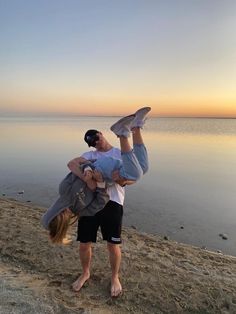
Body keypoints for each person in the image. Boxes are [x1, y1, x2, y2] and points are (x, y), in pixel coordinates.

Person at [67, 106, 151, 297]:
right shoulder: (89, 156)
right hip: (90, 204)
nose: (96, 142)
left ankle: (114, 277)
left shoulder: (119, 153)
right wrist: (89, 178)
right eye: (92, 142)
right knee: (84, 243)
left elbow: (129, 181)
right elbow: (72, 164)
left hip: (113, 202)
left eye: (96, 137)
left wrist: (122, 180)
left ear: (101, 134)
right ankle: (85, 273)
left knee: (113, 244)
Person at [41, 108, 150, 246]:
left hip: (100, 167)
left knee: (135, 174)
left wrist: (87, 176)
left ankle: (123, 132)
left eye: (62, 214)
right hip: (106, 179)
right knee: (143, 168)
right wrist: (98, 183)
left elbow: (75, 165)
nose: (66, 213)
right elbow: (101, 200)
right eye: (66, 218)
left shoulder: (64, 190)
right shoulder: (82, 211)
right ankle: (136, 126)